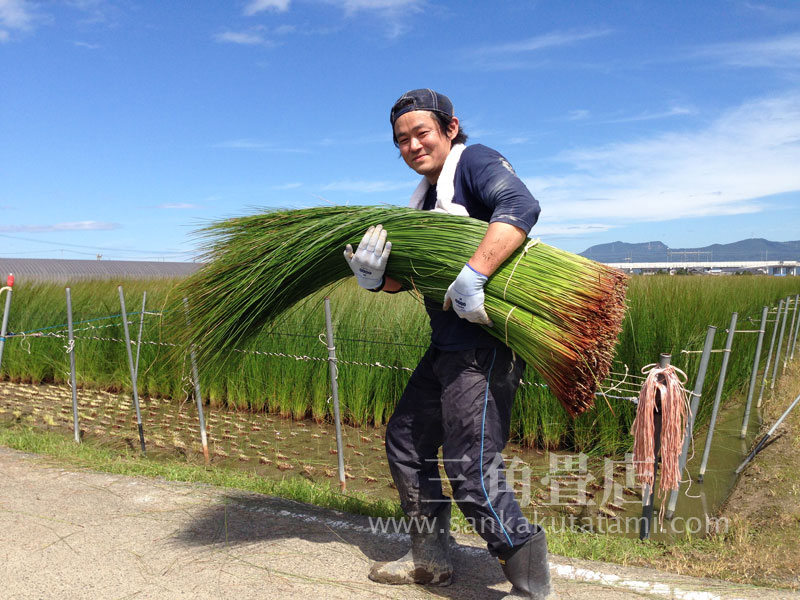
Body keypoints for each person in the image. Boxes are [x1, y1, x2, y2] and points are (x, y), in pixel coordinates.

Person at [343, 89, 553, 599]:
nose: (413, 146)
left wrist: (477, 273)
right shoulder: (421, 201)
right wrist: (375, 278)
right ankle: (429, 560)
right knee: (406, 442)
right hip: (446, 347)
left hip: (484, 349)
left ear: (450, 128)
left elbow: (522, 204)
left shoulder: (475, 163)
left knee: (470, 467)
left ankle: (531, 587)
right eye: (401, 140)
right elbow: (411, 277)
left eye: (422, 133)